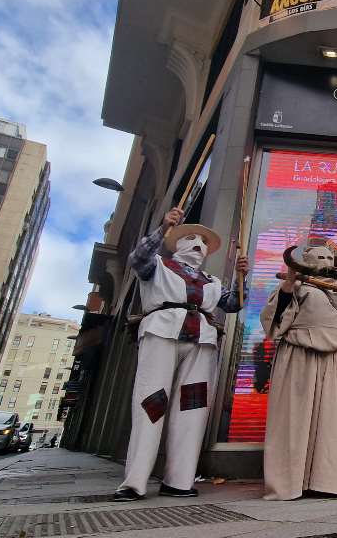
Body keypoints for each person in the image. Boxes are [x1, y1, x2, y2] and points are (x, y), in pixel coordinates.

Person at [113, 208, 246, 502]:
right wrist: (162, 228)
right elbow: (137, 258)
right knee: (152, 402)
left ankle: (180, 480)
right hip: (162, 332)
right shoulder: (158, 265)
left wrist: (241, 277)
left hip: (202, 341)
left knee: (193, 410)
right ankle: (134, 481)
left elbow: (234, 304)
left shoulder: (212, 281)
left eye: (203, 242)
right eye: (191, 239)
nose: (198, 245)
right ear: (178, 242)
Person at [261, 239, 337, 500]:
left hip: (332, 361)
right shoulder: (296, 287)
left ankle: (323, 482)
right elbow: (274, 321)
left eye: (331, 260)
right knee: (293, 419)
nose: (327, 264)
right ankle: (288, 483)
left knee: (328, 421)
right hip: (299, 356)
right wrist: (289, 282)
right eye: (320, 259)